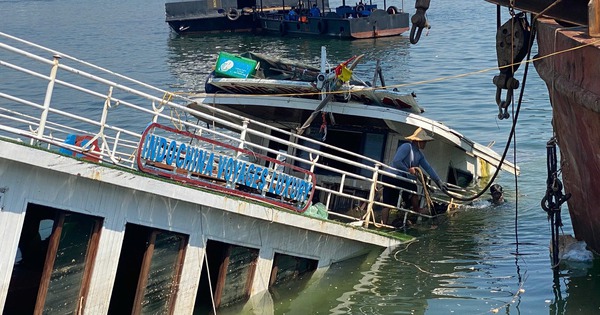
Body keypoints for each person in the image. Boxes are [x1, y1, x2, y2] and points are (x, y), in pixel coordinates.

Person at [381, 127, 448, 224]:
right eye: (424, 141)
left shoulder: (419, 155)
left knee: (396, 199)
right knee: (411, 188)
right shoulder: (407, 147)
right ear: (417, 141)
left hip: (400, 179)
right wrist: (408, 170)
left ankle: (414, 209)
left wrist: (439, 182)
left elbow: (428, 168)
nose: (425, 143)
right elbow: (397, 161)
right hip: (391, 177)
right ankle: (415, 209)